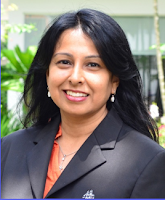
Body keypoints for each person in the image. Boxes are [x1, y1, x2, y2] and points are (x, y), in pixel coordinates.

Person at [1, 8, 165, 199]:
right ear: (47, 74)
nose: (75, 77)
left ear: (114, 81)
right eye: (64, 62)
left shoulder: (147, 161)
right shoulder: (9, 148)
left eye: (93, 65)